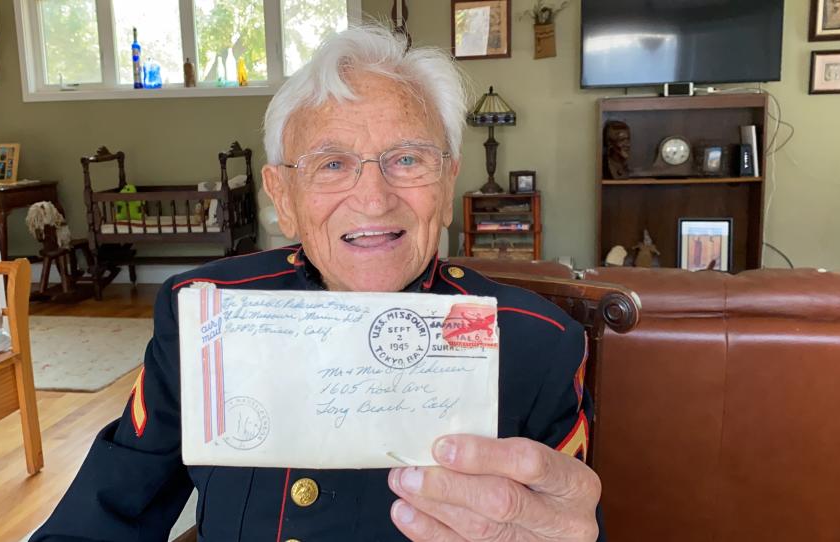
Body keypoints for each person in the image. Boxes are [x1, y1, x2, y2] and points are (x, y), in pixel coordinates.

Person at [33, 25, 602, 542]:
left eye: (407, 159)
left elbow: (568, 523)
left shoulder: (539, 344)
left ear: (447, 184)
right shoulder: (204, 317)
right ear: (282, 196)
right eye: (331, 164)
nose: (374, 199)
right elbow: (102, 517)